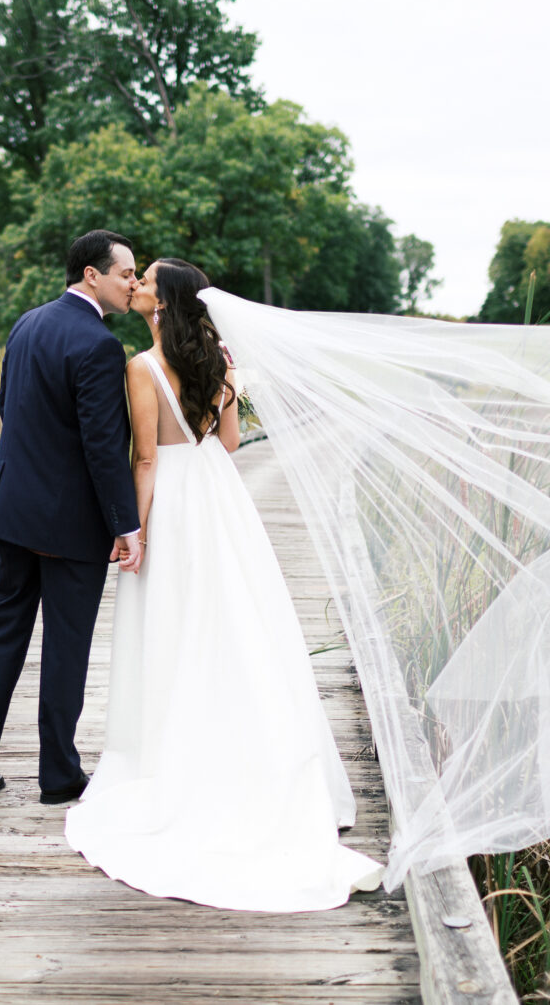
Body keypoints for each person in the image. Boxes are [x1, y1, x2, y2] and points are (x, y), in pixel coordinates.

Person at [63, 258, 384, 912]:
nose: (140, 281)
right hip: (220, 498)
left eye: (147, 277)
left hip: (176, 501)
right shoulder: (221, 365)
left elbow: (145, 458)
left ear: (162, 302)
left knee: (173, 626)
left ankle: (171, 757)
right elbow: (231, 444)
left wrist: (135, 530)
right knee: (236, 621)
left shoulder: (139, 368)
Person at [0, 230, 143, 805]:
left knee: (3, 627)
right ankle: (59, 775)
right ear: (91, 275)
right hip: (69, 521)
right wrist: (124, 525)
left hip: (13, 508)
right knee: (66, 644)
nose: (132, 283)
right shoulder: (100, 345)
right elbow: (103, 448)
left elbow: (10, 407)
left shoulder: (28, 323)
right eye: (125, 273)